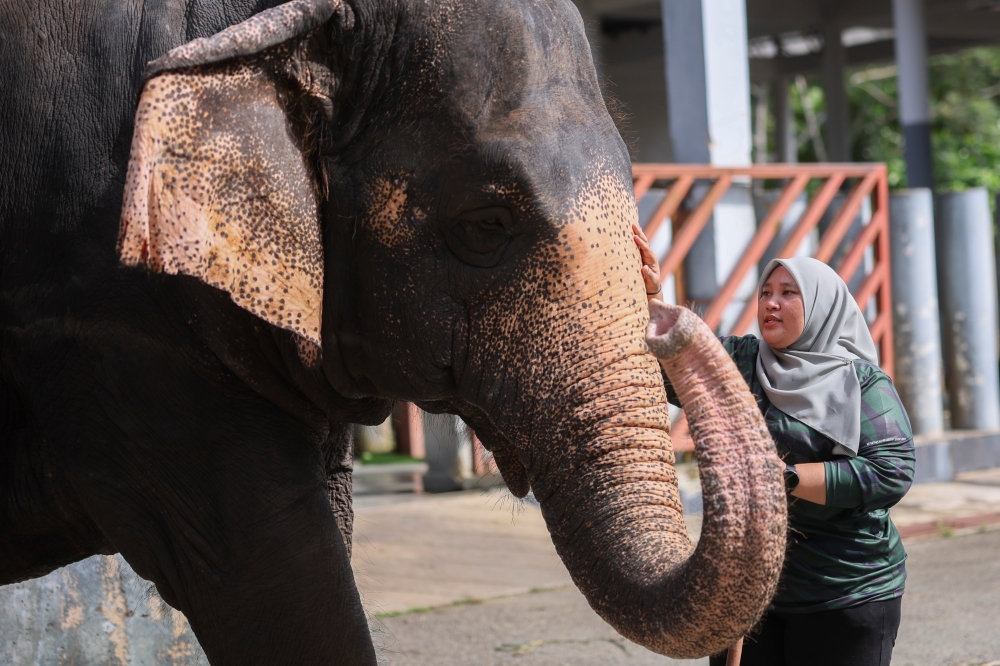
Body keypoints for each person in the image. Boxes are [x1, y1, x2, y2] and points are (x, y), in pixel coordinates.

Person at [633, 224, 915, 666]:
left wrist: (782, 478)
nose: (771, 302)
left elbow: (891, 472)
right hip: (749, 594)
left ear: (822, 305)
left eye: (789, 293)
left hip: (846, 592)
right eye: (766, 291)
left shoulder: (861, 383)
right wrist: (646, 297)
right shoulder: (742, 361)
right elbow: (662, 354)